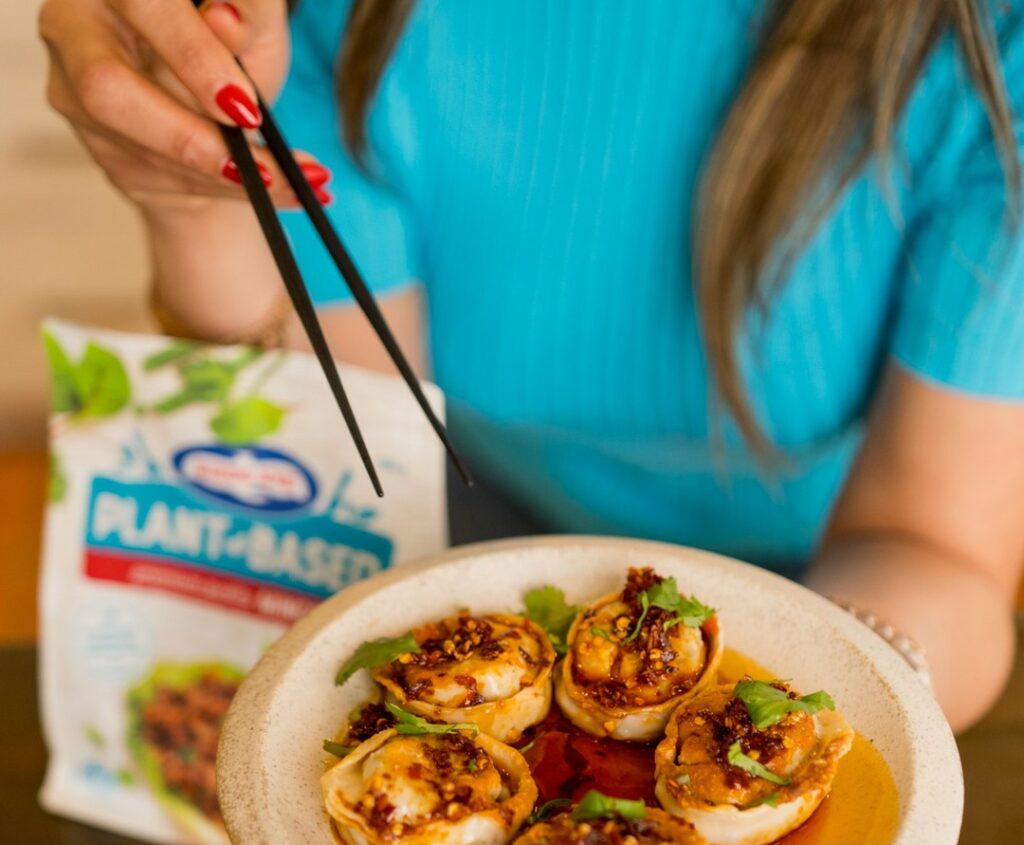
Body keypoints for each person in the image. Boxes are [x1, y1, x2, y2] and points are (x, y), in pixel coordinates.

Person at [39, 0, 1024, 731]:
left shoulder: (990, 44)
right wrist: (188, 196)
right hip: (467, 508)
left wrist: (804, 700)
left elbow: (937, 544)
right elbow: (344, 437)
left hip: (835, 576)